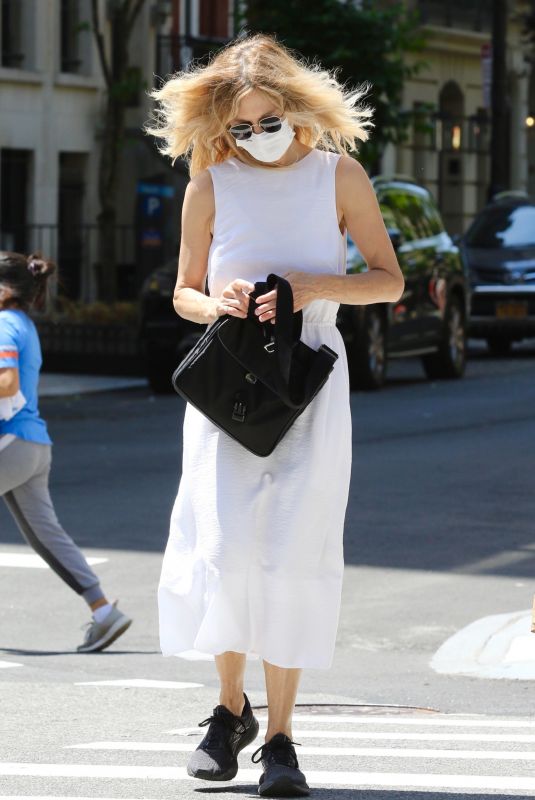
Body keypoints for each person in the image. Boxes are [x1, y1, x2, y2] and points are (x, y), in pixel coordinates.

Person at [147, 33, 404, 797]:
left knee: (290, 550)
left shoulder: (339, 176)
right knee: (223, 543)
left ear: (295, 111)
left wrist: (310, 282)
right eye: (239, 127)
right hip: (227, 377)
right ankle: (229, 713)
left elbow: (387, 282)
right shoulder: (210, 183)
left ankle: (283, 738)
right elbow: (182, 291)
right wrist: (214, 302)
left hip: (309, 377)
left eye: (266, 121)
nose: (253, 138)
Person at [0, 250, 132, 653]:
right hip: (33, 447)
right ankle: (103, 610)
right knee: (47, 537)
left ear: (5, 289)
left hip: (12, 443)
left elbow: (5, 383)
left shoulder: (4, 324)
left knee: (47, 536)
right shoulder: (22, 323)